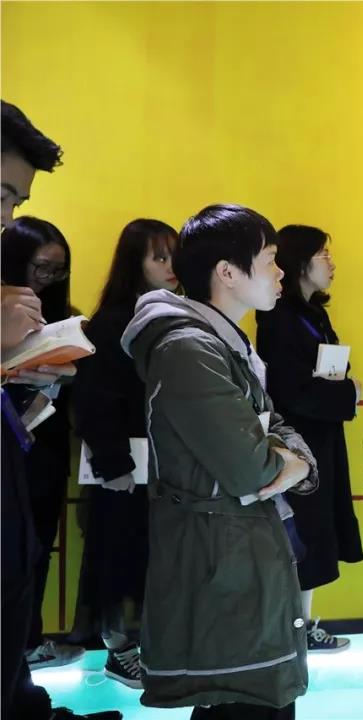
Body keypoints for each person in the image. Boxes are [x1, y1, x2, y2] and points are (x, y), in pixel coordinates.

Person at [120, 204, 317, 719]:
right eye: (270, 259)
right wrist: (286, 463)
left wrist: (291, 460)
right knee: (240, 702)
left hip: (238, 546)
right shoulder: (189, 349)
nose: (280, 272)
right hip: (219, 559)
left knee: (253, 698)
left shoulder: (226, 345)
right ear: (227, 272)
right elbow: (254, 468)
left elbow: (277, 429)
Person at [1, 99, 118, 720]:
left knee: (25, 563)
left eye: (14, 203)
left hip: (32, 456)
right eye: (2, 196)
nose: (4, 217)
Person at [70, 219, 180, 689]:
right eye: (160, 257)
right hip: (124, 461)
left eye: (174, 256)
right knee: (117, 552)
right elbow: (96, 399)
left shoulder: (171, 315)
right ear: (136, 263)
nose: (171, 267)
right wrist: (114, 462)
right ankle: (119, 649)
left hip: (161, 462)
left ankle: (145, 646)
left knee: (152, 554)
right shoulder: (116, 320)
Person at [256, 225, 363, 653]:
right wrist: (347, 393)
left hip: (323, 437)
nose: (331, 263)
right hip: (296, 443)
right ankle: (289, 630)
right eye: (323, 254)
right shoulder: (277, 317)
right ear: (299, 261)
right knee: (299, 536)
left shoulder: (314, 313)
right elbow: (291, 389)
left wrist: (344, 391)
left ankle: (301, 627)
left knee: (316, 536)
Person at [0, 217, 87, 672]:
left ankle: (28, 644)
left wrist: (66, 375)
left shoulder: (62, 316)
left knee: (38, 550)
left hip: (45, 451)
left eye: (58, 270)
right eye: (41, 267)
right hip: (8, 451)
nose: (49, 278)